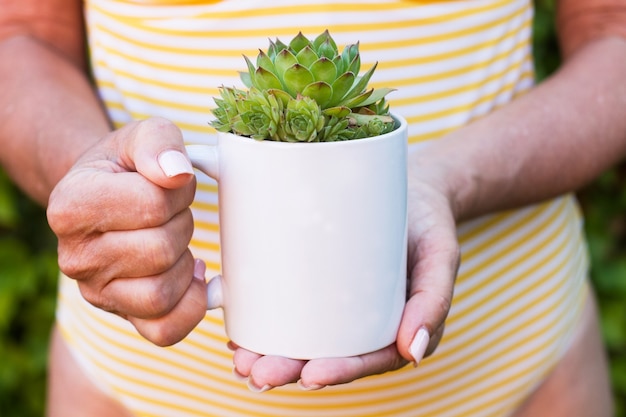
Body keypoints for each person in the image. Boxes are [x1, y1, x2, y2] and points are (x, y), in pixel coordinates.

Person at [0, 0, 624, 415]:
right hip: (132, 391)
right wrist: (101, 186)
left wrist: (445, 180)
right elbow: (24, 32)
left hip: (517, 373)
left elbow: (612, 31)